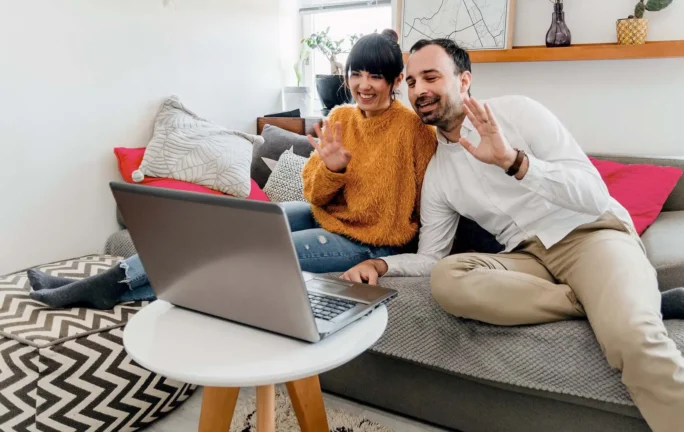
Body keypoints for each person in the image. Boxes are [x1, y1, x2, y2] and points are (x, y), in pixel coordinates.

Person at [341, 39, 684, 432]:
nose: (419, 89)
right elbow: (432, 257)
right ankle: (606, 300)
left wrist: (515, 162)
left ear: (464, 80)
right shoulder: (438, 174)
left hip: (589, 233)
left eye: (432, 77)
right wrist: (380, 262)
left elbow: (593, 196)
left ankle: (620, 302)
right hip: (527, 257)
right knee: (447, 279)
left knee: (636, 343)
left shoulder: (519, 113)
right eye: (413, 80)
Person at [27, 29, 437, 310]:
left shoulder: (414, 130)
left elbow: (416, 207)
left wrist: (390, 256)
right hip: (324, 214)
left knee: (246, 251)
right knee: (225, 226)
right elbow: (312, 193)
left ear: (397, 79)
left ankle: (112, 291)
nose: (364, 84)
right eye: (357, 74)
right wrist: (330, 170)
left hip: (368, 242)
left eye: (376, 77)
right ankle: (111, 281)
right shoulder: (342, 116)